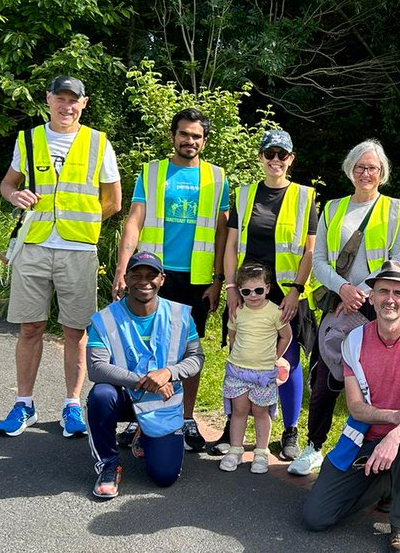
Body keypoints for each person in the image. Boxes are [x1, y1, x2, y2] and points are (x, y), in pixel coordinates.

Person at [0, 76, 121, 439]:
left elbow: (113, 200)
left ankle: (71, 406)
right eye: (60, 99)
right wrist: (12, 196)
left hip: (79, 250)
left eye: (74, 100)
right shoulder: (29, 139)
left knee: (75, 331)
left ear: (84, 104)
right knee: (30, 327)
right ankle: (24, 404)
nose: (67, 106)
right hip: (33, 245)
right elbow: (8, 184)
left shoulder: (98, 142)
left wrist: (81, 224)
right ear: (48, 99)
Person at [302, 260, 400, 553]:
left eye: (398, 292)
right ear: (371, 297)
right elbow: (356, 407)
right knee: (316, 517)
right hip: (365, 436)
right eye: (383, 291)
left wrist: (393, 437)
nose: (390, 299)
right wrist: (392, 417)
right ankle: (385, 480)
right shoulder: (353, 341)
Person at [112, 107, 229, 452]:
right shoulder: (151, 173)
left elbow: (222, 232)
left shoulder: (217, 178)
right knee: (144, 347)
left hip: (196, 278)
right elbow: (133, 221)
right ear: (173, 136)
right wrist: (122, 268)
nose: (189, 140)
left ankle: (187, 418)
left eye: (196, 136)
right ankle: (140, 417)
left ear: (204, 141)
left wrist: (218, 279)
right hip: (151, 273)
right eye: (184, 134)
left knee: (188, 349)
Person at [290, 140, 400, 477]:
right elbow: (320, 261)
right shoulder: (332, 208)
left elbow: (395, 260)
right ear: (350, 170)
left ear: (382, 172)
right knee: (326, 376)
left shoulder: (396, 210)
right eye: (360, 167)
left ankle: (372, 447)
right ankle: (314, 446)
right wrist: (342, 289)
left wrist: (362, 291)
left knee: (378, 382)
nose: (366, 173)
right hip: (339, 305)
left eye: (372, 168)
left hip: (377, 308)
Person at [223, 130, 318, 461]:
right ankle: (233, 423)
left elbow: (309, 251)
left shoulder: (306, 197)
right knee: (241, 351)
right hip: (249, 288)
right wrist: (231, 287)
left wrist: (296, 290)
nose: (275, 160)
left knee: (286, 361)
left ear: (291, 159)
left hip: (289, 291)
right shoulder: (245, 194)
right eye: (269, 154)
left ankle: (289, 430)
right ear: (261, 157)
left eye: (282, 154)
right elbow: (232, 244)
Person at [85, 251, 204, 499]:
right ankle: (108, 464)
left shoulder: (180, 315)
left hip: (162, 401)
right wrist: (145, 381)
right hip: (124, 397)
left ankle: (145, 432)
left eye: (151, 275)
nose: (144, 281)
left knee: (164, 477)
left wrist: (168, 372)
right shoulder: (104, 319)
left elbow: (196, 359)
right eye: (136, 275)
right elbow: (96, 368)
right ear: (126, 279)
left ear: (162, 279)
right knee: (100, 395)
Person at [219, 262, 293, 475]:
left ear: (268, 288)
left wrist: (275, 358)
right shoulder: (237, 311)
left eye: (259, 290)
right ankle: (235, 450)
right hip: (238, 371)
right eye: (247, 291)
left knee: (261, 412)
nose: (253, 295)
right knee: (239, 411)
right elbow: (232, 336)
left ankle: (261, 452)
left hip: (263, 373)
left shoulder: (275, 312)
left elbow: (286, 336)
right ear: (240, 291)